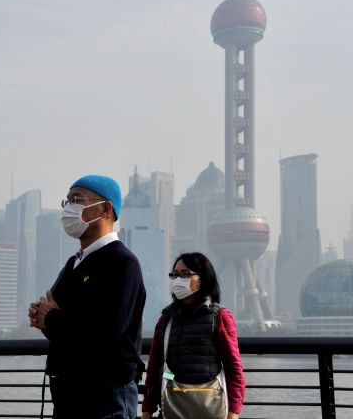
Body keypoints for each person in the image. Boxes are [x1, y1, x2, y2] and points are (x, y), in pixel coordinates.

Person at [29, 174, 146, 419]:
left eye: (76, 199)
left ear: (105, 208)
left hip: (106, 395)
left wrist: (51, 318)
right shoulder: (74, 262)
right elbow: (66, 325)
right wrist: (43, 317)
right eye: (67, 201)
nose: (68, 208)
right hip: (68, 393)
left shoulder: (122, 263)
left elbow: (105, 333)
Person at [141, 252, 245, 419]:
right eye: (175, 275)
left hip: (209, 407)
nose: (178, 280)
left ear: (204, 278)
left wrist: (233, 412)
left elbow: (234, 369)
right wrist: (147, 409)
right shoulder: (166, 319)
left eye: (186, 274)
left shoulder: (219, 317)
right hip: (171, 406)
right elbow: (154, 368)